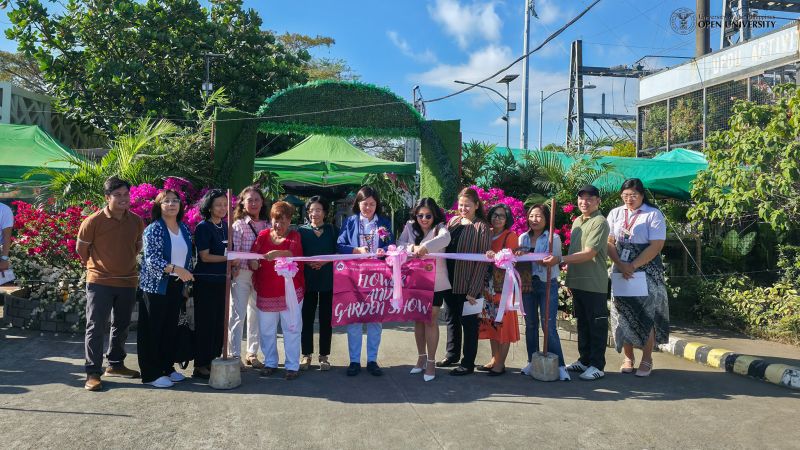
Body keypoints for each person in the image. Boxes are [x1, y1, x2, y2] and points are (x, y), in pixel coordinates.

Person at [76, 176, 145, 391]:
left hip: (127, 281)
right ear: (107, 197)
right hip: (100, 282)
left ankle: (115, 364)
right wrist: (98, 268)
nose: (123, 199)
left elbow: (136, 247)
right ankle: (93, 372)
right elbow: (82, 250)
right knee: (96, 326)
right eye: (117, 195)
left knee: (122, 326)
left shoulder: (136, 221)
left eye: (126, 194)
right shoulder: (93, 221)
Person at [543, 185, 610, 381]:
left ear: (598, 201)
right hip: (577, 281)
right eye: (581, 198)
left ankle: (598, 365)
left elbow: (590, 253)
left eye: (590, 198)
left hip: (593, 282)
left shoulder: (600, 222)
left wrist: (560, 259)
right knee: (583, 323)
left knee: (596, 324)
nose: (585, 202)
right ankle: (585, 359)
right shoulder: (577, 222)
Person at [607, 178, 669, 377]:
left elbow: (657, 245)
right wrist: (620, 264)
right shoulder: (616, 213)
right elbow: (609, 241)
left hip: (645, 269)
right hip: (620, 266)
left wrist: (632, 265)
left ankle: (647, 359)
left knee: (646, 313)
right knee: (622, 312)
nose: (629, 199)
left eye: (633, 195)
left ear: (642, 195)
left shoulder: (653, 214)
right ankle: (628, 357)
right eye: (625, 195)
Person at [137, 190, 195, 388]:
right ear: (159, 206)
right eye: (166, 201)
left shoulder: (184, 228)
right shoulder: (153, 229)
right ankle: (151, 373)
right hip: (155, 287)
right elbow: (151, 259)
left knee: (170, 328)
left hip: (177, 285)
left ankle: (166, 367)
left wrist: (185, 281)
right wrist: (175, 269)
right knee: (153, 330)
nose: (171, 204)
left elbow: (189, 257)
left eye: (175, 201)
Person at [337, 186, 394, 376]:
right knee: (354, 319)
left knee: (375, 320)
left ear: (377, 205)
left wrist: (384, 250)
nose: (368, 207)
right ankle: (354, 361)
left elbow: (391, 246)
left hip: (378, 276)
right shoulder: (350, 222)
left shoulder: (384, 223)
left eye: (372, 204)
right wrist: (356, 251)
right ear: (358, 204)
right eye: (365, 204)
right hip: (354, 276)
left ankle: (372, 360)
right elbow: (340, 245)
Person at [438, 187, 491, 376]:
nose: (463, 208)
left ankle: (467, 362)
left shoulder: (481, 227)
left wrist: (474, 289)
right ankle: (451, 354)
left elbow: (482, 261)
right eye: (460, 205)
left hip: (469, 285)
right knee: (451, 319)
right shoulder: (453, 222)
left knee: (469, 324)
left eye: (467, 205)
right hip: (449, 281)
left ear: (476, 205)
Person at [397, 197, 451, 382]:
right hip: (415, 280)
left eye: (428, 215)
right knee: (418, 319)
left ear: (434, 215)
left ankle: (431, 361)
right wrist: (412, 247)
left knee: (430, 319)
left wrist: (425, 248)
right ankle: (420, 357)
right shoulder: (409, 226)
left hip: (436, 282)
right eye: (420, 215)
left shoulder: (440, 228)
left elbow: (446, 238)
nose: (424, 219)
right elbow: (399, 244)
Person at [251, 201, 305, 380]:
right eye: (275, 220)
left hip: (290, 293)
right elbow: (254, 256)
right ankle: (270, 362)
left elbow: (292, 253)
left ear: (290, 221)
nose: (278, 224)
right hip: (266, 290)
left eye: (283, 221)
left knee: (291, 328)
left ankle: (292, 366)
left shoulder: (294, 236)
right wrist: (253, 262)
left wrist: (276, 253)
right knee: (266, 329)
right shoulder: (263, 235)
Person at [517, 204, 570, 381]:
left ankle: (560, 365)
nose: (534, 219)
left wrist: (542, 260)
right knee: (530, 325)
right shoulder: (523, 238)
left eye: (539, 216)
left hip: (547, 284)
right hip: (527, 285)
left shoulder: (552, 238)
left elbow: (554, 261)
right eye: (531, 216)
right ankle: (532, 362)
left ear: (547, 219)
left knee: (548, 325)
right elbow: (518, 260)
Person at [229, 185, 270, 370]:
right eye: (249, 200)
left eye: (257, 200)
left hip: (262, 275)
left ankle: (252, 353)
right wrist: (240, 265)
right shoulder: (238, 225)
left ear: (262, 203)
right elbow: (235, 252)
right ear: (243, 204)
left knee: (256, 315)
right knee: (238, 314)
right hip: (242, 273)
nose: (253, 203)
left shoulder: (269, 225)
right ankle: (234, 354)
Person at [479, 203, 520, 376]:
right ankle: (494, 358)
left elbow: (511, 259)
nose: (497, 218)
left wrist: (495, 257)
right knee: (491, 324)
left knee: (503, 324)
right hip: (487, 287)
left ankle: (501, 363)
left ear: (507, 219)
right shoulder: (486, 233)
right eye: (495, 215)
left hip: (503, 288)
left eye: (502, 216)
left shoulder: (510, 236)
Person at [192, 189, 229, 379]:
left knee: (218, 323)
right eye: (218, 205)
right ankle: (200, 364)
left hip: (223, 281)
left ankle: (214, 358)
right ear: (209, 207)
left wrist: (234, 264)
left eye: (225, 204)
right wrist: (229, 258)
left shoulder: (225, 226)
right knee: (206, 323)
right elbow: (205, 256)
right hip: (206, 282)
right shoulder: (203, 227)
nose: (222, 208)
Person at [298, 196, 337, 372]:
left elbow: (339, 252)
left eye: (318, 210)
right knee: (306, 318)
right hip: (307, 281)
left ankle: (324, 356)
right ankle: (306, 355)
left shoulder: (333, 230)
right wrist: (308, 262)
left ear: (325, 212)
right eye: (311, 210)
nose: (315, 213)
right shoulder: (301, 231)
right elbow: (296, 253)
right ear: (308, 212)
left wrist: (325, 262)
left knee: (326, 319)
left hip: (328, 280)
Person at [0, 200, 13, 280]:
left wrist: (4, 259)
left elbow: (7, 236)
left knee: (4, 285)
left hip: (0, 253)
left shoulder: (4, 209)